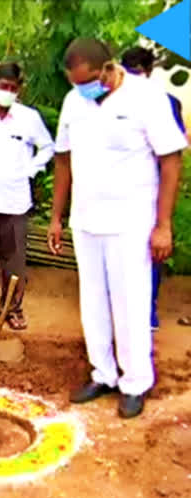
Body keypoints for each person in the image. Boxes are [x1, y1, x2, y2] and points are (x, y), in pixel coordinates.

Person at [48, 38, 186, 418]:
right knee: (92, 302)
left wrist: (163, 225)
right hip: (86, 219)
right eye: (76, 83)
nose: (83, 89)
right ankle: (103, 373)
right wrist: (57, 217)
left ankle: (135, 382)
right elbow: (63, 160)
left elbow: (171, 162)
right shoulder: (75, 100)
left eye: (89, 80)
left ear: (108, 68)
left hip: (132, 221)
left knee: (131, 302)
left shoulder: (147, 97)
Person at [0, 62, 54, 329]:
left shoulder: (28, 118)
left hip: (15, 201)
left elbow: (47, 147)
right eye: (2, 86)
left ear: (19, 89)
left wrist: (29, 170)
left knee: (15, 257)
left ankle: (12, 309)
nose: (6, 91)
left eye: (12, 87)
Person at [121, 47, 190, 330]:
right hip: (126, 189)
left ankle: (144, 312)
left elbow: (173, 156)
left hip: (148, 189)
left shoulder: (167, 102)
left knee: (150, 249)